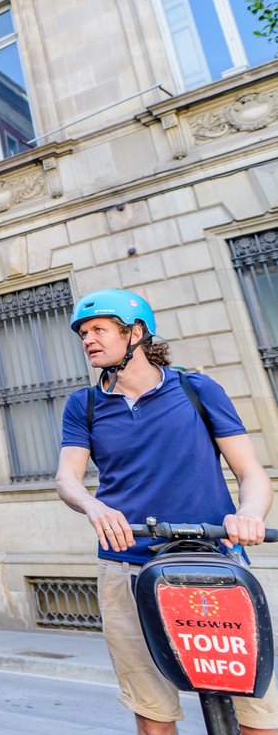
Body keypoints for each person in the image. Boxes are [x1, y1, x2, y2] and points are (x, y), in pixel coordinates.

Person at [55, 288, 278, 735]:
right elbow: (67, 478)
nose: (88, 340)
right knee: (153, 713)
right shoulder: (85, 405)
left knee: (258, 712)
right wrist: (92, 505)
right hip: (127, 565)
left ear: (135, 333)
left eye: (99, 329)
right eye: (83, 332)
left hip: (215, 561)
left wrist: (249, 514)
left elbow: (252, 473)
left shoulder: (196, 389)